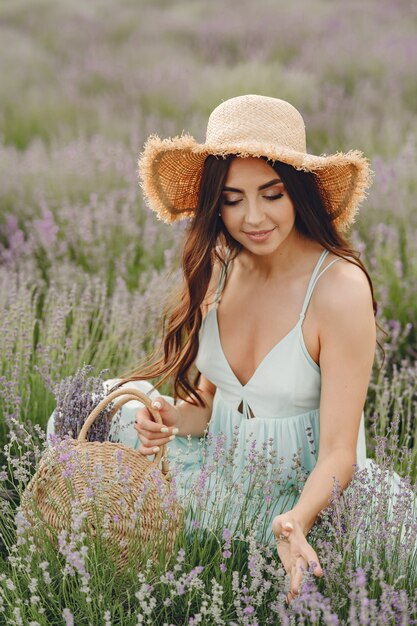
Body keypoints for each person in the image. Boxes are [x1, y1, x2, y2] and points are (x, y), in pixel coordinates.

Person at [47, 95, 378, 600]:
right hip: (216, 461)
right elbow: (208, 404)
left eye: (271, 194)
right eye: (231, 198)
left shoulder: (339, 289)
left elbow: (339, 450)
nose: (252, 218)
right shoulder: (224, 267)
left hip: (293, 492)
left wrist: (297, 520)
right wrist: (169, 419)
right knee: (89, 406)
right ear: (213, 204)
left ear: (299, 192)